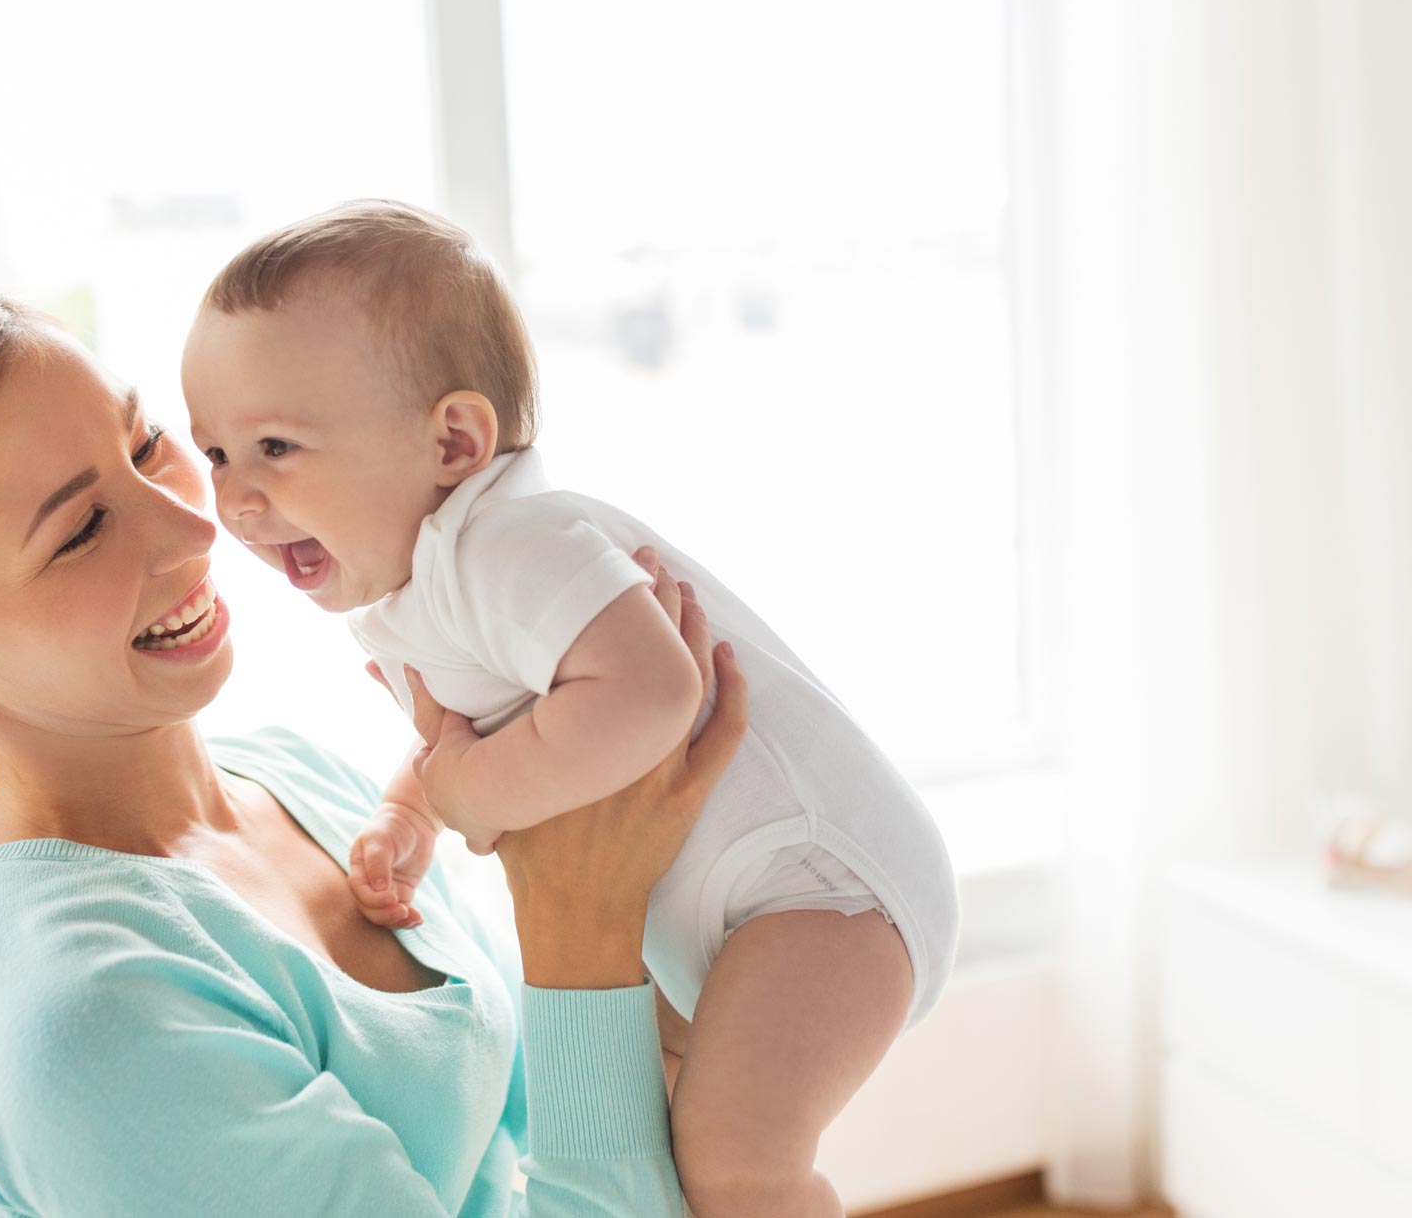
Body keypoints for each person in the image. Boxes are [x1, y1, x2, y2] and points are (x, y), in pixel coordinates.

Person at [0, 289, 747, 1215]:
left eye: (149, 441)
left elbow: (540, 1130)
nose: (192, 527)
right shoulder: (90, 1029)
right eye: (80, 529)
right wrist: (579, 921)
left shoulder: (289, 778)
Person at [181, 201, 961, 1216]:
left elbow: (647, 691)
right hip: (735, 905)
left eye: (276, 446)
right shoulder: (424, 584)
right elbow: (492, 728)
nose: (235, 498)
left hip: (821, 890)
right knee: (657, 1142)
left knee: (734, 1161)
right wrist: (411, 809)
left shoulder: (512, 542)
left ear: (454, 440)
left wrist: (467, 786)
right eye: (214, 455)